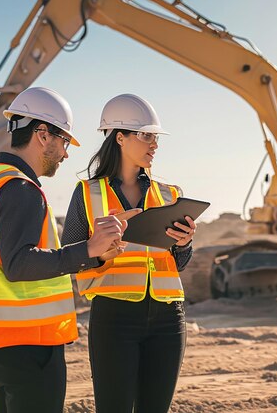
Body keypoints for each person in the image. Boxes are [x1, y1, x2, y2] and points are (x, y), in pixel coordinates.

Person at [0, 87, 135, 413]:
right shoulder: (20, 189)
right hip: (25, 340)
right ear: (42, 134)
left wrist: (93, 255)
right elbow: (19, 264)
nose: (66, 153)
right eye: (64, 141)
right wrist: (89, 248)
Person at [62, 94, 196, 413]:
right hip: (114, 319)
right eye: (146, 135)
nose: (154, 144)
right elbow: (69, 256)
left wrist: (185, 243)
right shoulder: (87, 193)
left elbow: (177, 263)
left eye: (155, 137)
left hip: (168, 319)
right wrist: (100, 251)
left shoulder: (170, 194)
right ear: (120, 137)